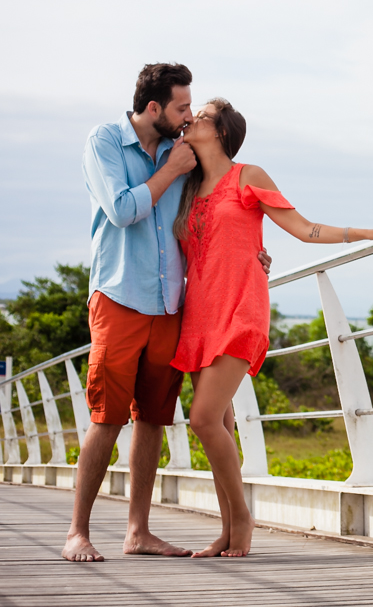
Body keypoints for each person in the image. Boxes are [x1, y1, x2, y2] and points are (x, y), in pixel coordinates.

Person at [171, 98, 373, 557]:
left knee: (202, 419)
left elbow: (303, 228)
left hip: (240, 308)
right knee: (222, 425)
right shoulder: (187, 186)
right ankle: (228, 528)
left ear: (220, 131)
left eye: (203, 114)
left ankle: (243, 519)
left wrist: (364, 232)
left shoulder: (248, 176)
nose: (192, 118)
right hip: (198, 312)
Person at [63, 64, 271, 563]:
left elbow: (220, 214)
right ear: (154, 107)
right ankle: (77, 531)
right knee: (106, 417)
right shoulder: (107, 140)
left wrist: (254, 256)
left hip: (170, 305)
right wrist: (171, 170)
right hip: (119, 297)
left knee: (154, 419)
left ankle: (138, 531)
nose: (186, 118)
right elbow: (121, 208)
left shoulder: (186, 158)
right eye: (181, 108)